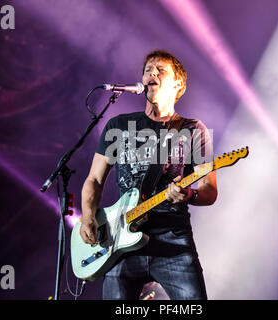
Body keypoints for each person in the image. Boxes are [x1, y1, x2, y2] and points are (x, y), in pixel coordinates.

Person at [80, 49, 217, 300]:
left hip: (173, 242)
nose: (151, 73)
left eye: (160, 69)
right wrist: (88, 216)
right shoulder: (118, 125)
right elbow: (94, 180)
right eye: (147, 70)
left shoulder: (193, 129)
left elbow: (209, 190)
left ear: (179, 84)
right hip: (120, 240)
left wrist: (189, 194)